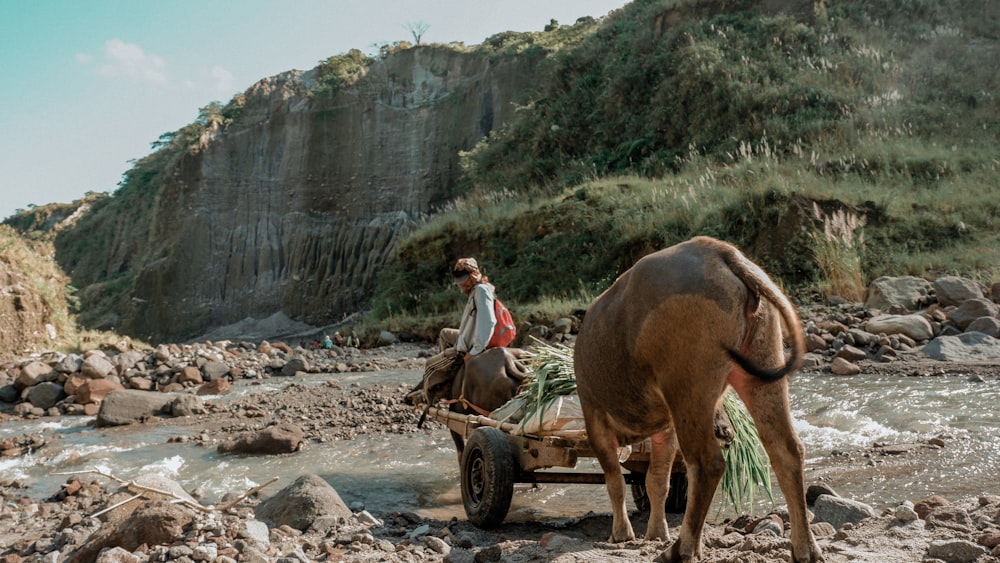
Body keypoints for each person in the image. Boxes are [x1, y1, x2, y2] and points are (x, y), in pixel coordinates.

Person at [439, 257, 498, 363]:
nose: (461, 284)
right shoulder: (476, 290)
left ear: (473, 276)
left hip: (474, 340)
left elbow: (489, 322)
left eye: (464, 280)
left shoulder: (481, 290)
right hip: (470, 335)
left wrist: (475, 351)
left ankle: (447, 365)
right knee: (444, 333)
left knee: (431, 366)